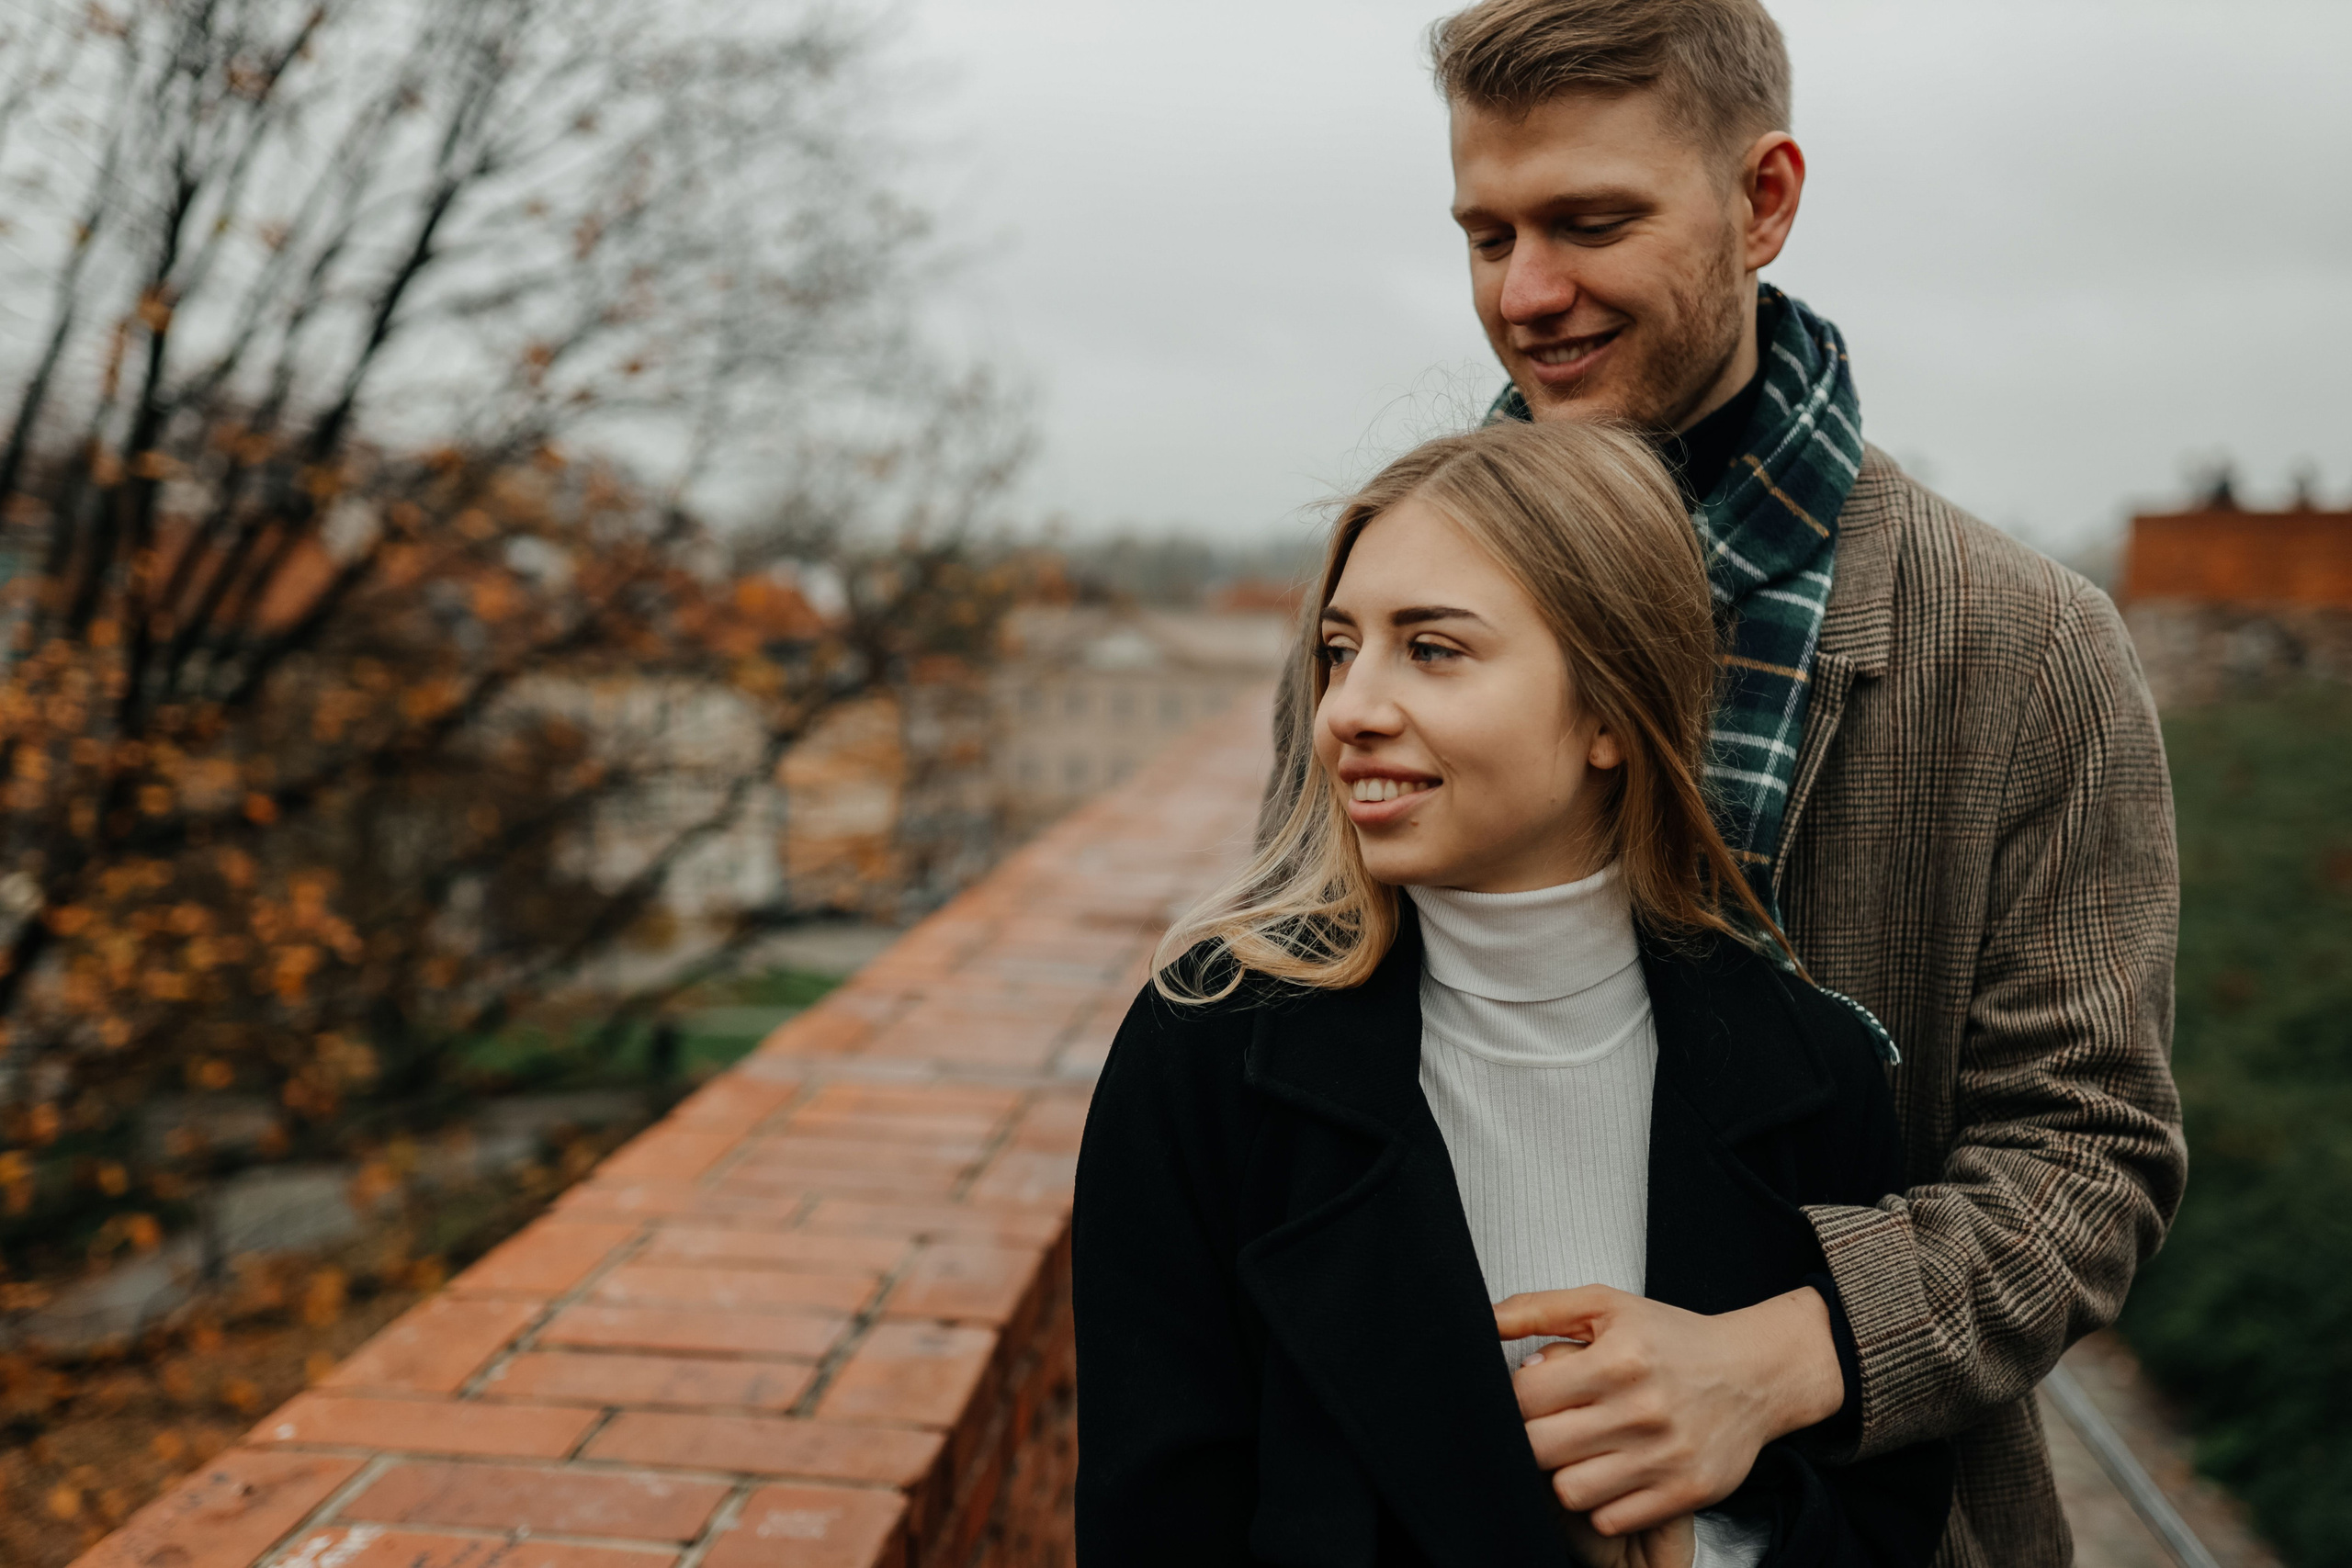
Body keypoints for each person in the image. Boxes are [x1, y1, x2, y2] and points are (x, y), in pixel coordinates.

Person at [1251, 4, 2185, 1565]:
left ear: (1763, 200)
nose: (1525, 294)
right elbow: (1310, 1036)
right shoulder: (1385, 605)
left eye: (1591, 223)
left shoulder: (2031, 648)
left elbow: (2089, 1152)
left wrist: (1781, 1351)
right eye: (1488, 234)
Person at [1073, 419, 1953, 1567]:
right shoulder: (1208, 1049)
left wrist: (1705, 1553)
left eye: (1430, 649)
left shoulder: (1815, 1074)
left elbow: (1885, 1526)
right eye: (1341, 650)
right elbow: (1153, 1524)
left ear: (1606, 711)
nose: (1348, 709)